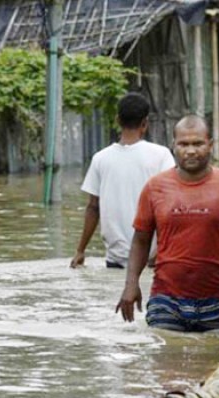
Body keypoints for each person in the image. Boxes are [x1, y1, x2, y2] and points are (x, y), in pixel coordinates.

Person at [116, 115, 219, 332]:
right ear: (173, 145)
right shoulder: (155, 187)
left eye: (198, 144)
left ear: (211, 145)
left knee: (215, 353)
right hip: (166, 299)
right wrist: (131, 284)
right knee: (165, 350)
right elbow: (141, 241)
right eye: (183, 144)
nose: (191, 151)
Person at [71, 93, 175, 269]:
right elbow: (171, 205)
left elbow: (93, 208)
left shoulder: (100, 159)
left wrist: (81, 250)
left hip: (115, 259)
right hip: (152, 259)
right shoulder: (161, 155)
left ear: (117, 120)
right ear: (145, 123)